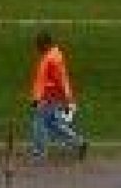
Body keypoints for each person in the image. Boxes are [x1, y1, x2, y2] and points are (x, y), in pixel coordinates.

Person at [29, 31, 87, 162]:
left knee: (39, 123)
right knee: (52, 124)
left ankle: (38, 155)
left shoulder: (50, 59)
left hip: (49, 98)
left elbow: (47, 80)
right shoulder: (54, 55)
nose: (37, 48)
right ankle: (78, 143)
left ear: (45, 44)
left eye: (38, 45)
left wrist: (37, 99)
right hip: (54, 97)